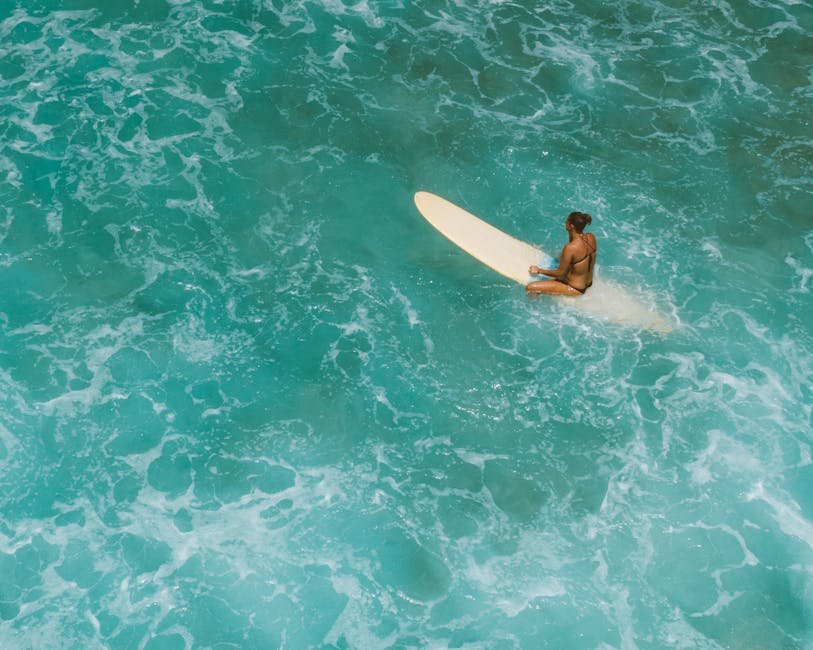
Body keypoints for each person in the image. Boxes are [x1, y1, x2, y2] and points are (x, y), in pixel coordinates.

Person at [526, 211, 596, 295]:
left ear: (571, 226)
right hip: (588, 283)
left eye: (567, 221)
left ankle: (534, 305)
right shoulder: (591, 237)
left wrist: (539, 270)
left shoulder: (570, 248)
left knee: (530, 288)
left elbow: (560, 273)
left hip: (575, 288)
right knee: (563, 258)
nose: (565, 223)